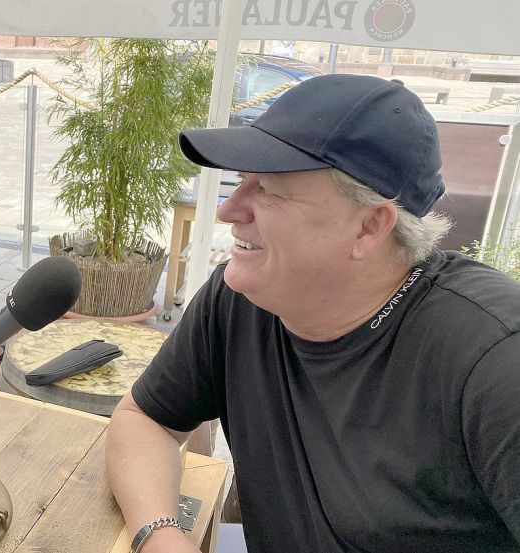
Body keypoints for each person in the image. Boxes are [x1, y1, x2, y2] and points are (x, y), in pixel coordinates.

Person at [107, 74, 520, 553]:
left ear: (369, 226)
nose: (229, 210)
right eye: (242, 181)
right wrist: (161, 536)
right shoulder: (240, 298)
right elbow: (145, 419)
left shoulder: (495, 361)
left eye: (271, 189)